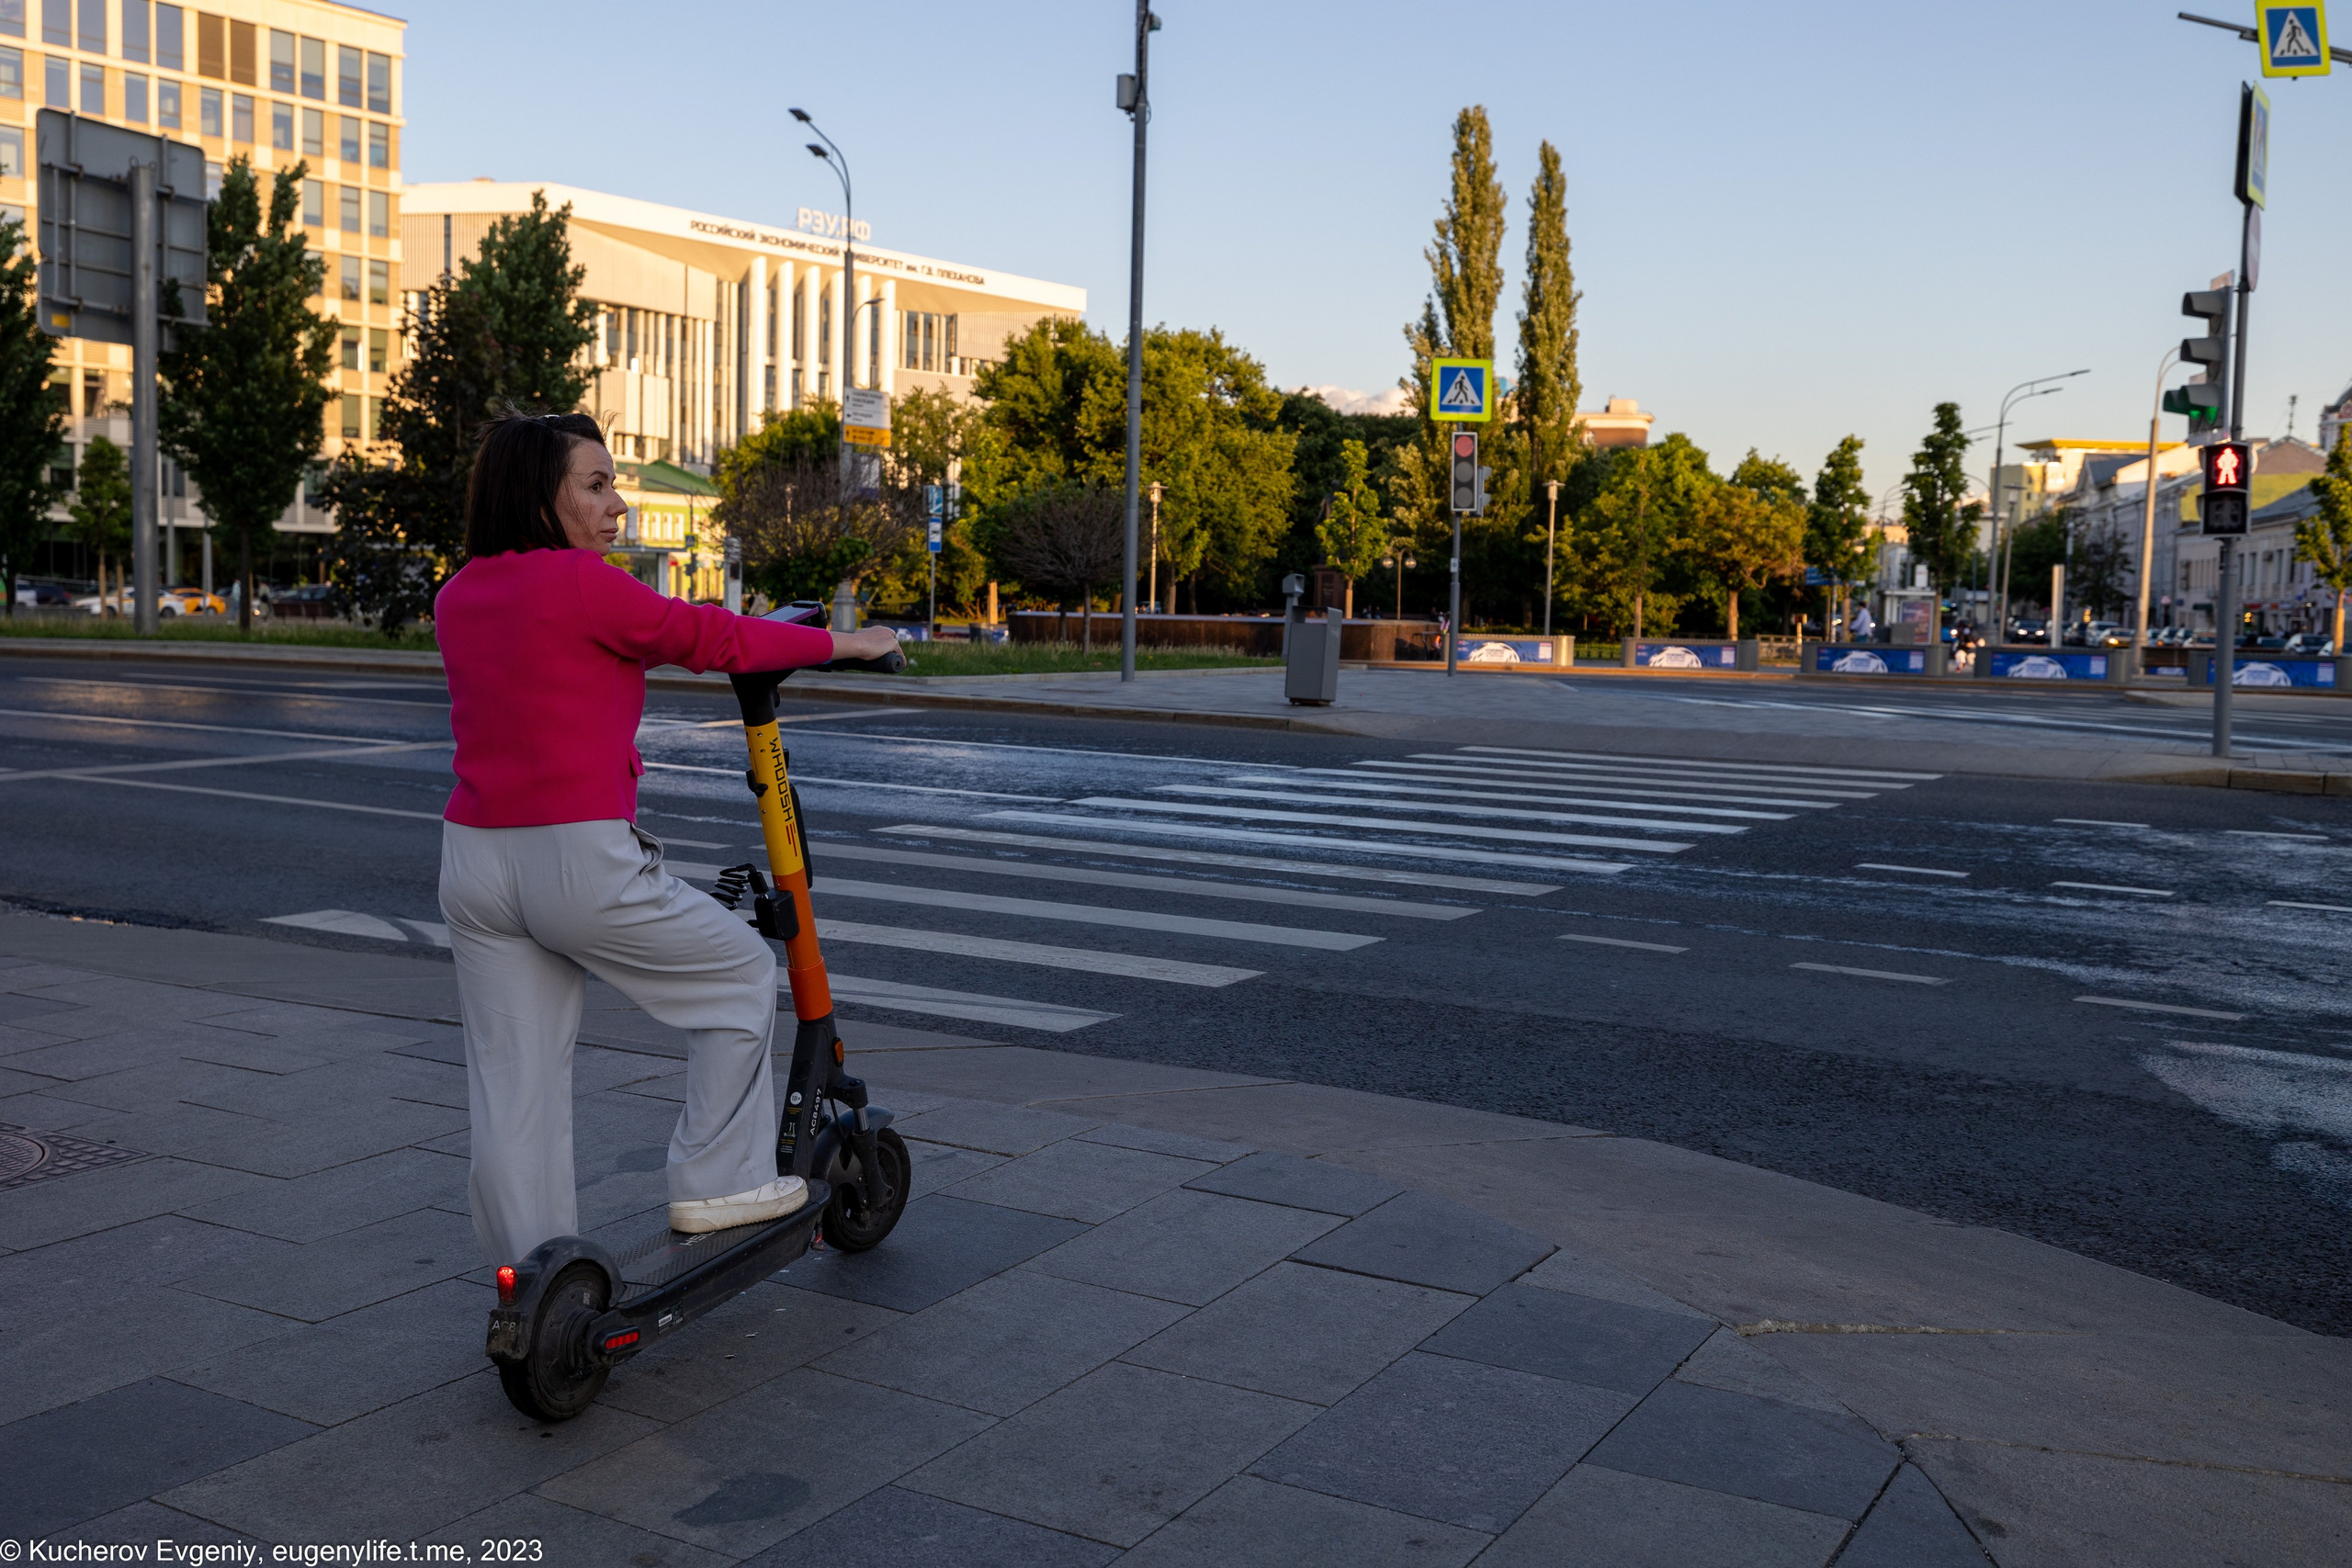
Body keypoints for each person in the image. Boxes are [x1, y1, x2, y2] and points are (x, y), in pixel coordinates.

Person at [433, 412, 899, 1269]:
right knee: (739, 975)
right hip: (576, 861)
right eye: (595, 485)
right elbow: (714, 638)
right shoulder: (583, 583)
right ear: (538, 496)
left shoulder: (457, 595)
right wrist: (848, 641)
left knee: (513, 1080)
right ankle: (719, 1181)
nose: (617, 505)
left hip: (474, 862)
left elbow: (575, 660)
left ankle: (533, 1273)